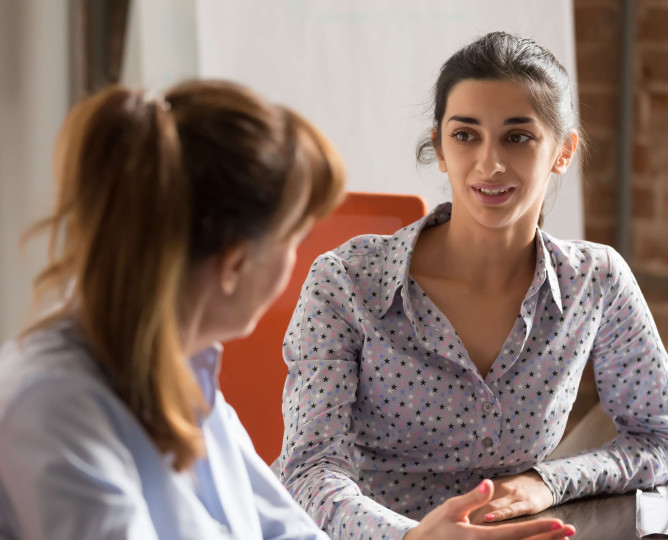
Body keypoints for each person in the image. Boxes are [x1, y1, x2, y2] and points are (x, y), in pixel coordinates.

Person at [0, 79, 572, 540]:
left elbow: (284, 530)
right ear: (234, 264)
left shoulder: (185, 377)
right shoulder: (53, 406)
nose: (302, 262)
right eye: (292, 239)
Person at [278, 31, 668, 540]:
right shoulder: (347, 281)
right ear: (439, 146)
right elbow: (309, 469)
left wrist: (546, 482)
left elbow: (658, 435)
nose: (489, 164)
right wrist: (414, 538)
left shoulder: (596, 281)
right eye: (465, 135)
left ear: (563, 151)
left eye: (518, 137)